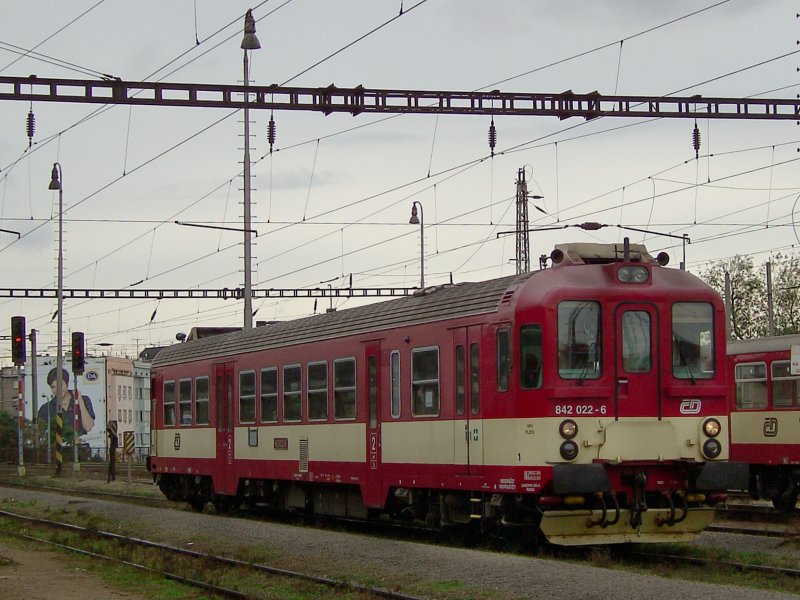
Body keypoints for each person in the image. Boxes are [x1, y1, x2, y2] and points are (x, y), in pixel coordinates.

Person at [38, 367, 96, 437]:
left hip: (80, 446)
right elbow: (40, 433)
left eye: (60, 385)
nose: (57, 389)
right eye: (53, 387)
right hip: (57, 447)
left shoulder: (84, 400)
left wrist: (79, 400)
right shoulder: (45, 409)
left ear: (67, 384)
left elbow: (88, 427)